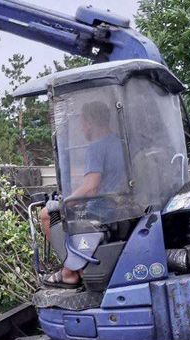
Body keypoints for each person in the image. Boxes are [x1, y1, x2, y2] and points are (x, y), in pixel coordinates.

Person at [40, 100, 127, 288]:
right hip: (119, 208)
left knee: (47, 214)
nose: (81, 128)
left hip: (102, 210)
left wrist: (65, 203)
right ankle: (78, 267)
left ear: (89, 122)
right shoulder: (119, 144)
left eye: (82, 122)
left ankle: (70, 271)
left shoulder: (96, 147)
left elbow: (91, 188)